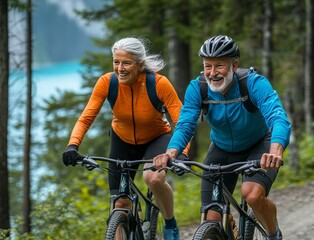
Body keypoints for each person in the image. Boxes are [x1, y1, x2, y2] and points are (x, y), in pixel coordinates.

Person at [153, 35, 291, 240]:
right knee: (211, 217)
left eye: (219, 66)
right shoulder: (198, 88)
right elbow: (185, 125)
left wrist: (275, 151)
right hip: (221, 148)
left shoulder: (253, 83)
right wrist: (171, 152)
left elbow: (278, 117)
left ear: (234, 65)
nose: (212, 73)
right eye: (208, 66)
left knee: (252, 195)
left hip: (259, 145)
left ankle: (272, 234)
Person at [62, 37, 189, 240]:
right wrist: (72, 145)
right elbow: (86, 118)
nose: (120, 68)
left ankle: (170, 223)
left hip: (157, 138)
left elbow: (182, 121)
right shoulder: (107, 82)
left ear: (140, 64)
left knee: (153, 178)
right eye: (116, 62)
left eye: (126, 63)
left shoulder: (158, 83)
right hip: (122, 140)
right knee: (120, 204)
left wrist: (183, 153)